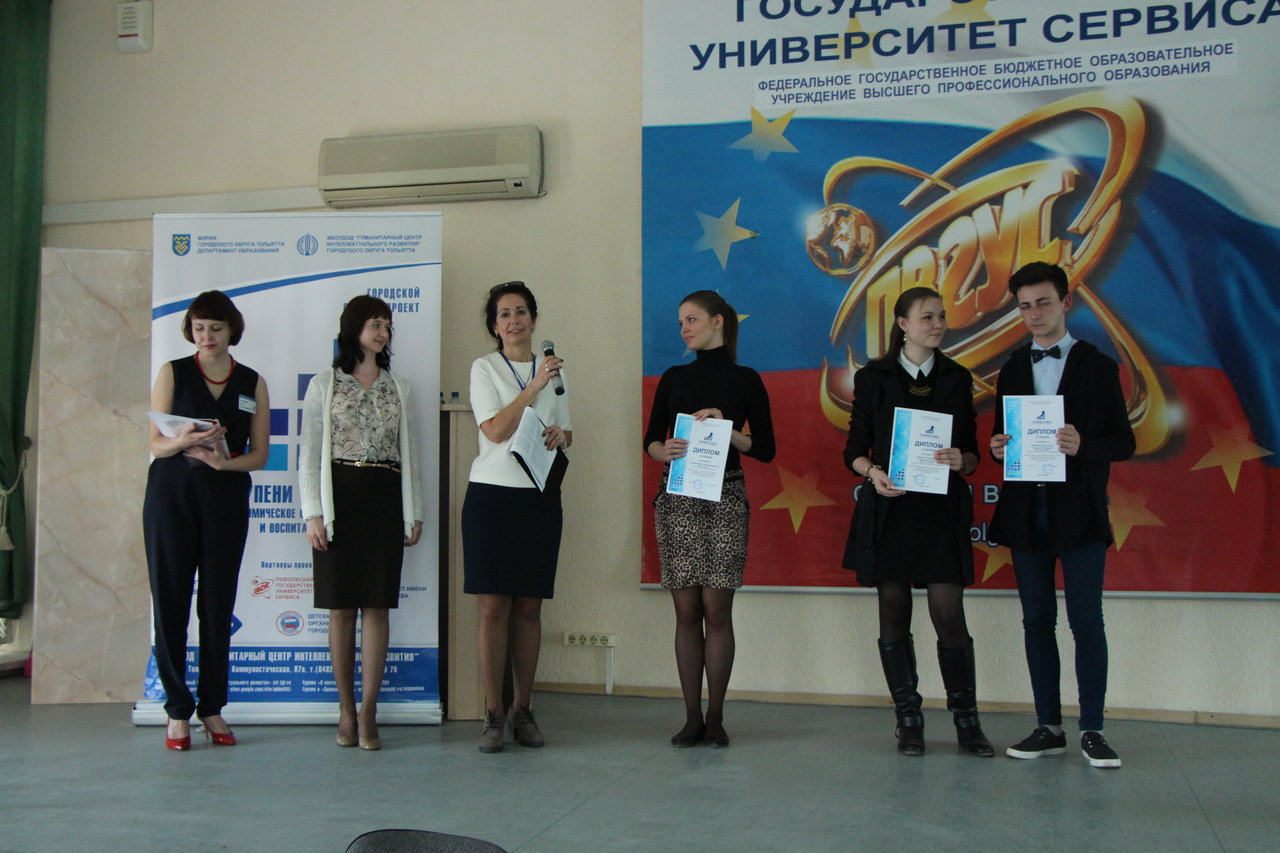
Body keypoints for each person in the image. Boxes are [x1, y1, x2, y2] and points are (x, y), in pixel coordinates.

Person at [989, 261, 1135, 769]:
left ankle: (1092, 729)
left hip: (1081, 515)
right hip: (1025, 513)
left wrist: (1083, 444)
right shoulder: (1011, 368)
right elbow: (1004, 440)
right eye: (1025, 306)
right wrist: (999, 447)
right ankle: (1048, 727)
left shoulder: (1097, 365)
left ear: (1066, 303)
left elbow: (1124, 442)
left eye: (1043, 302)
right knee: (1036, 620)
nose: (1034, 314)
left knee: (1086, 620)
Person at [841, 286, 993, 757]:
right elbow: (854, 451)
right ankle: (908, 720)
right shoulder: (874, 377)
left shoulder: (956, 377)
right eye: (928, 317)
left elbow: (972, 453)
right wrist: (874, 473)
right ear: (903, 324)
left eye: (941, 316)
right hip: (891, 508)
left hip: (940, 510)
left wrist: (961, 460)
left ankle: (967, 722)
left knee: (948, 613)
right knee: (893, 610)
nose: (938, 324)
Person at [644, 290, 775, 749]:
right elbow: (650, 441)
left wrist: (729, 431)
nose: (684, 328)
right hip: (679, 495)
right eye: (680, 321)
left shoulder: (746, 379)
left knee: (717, 610)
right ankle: (691, 717)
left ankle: (716, 717)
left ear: (718, 321)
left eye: (692, 319)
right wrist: (664, 450)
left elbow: (766, 449)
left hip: (726, 496)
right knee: (686, 611)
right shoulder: (673, 377)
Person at [143, 291, 271, 750]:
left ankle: (212, 706)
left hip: (225, 498)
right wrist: (183, 440)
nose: (207, 336)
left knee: (217, 605)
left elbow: (259, 455)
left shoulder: (252, 382)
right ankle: (177, 711)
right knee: (171, 600)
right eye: (199, 328)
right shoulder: (172, 372)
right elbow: (155, 443)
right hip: (172, 496)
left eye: (215, 328)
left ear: (231, 329)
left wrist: (223, 462)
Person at [299, 296, 424, 752]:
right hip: (340, 499)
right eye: (375, 324)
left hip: (384, 499)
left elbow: (410, 454)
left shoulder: (399, 387)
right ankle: (345, 710)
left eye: (387, 325)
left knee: (376, 606)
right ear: (353, 328)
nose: (382, 332)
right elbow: (309, 452)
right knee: (340, 608)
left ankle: (369, 710)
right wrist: (313, 512)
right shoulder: (324, 384)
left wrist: (414, 511)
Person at [462, 281, 571, 753]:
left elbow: (567, 430)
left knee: (529, 606)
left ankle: (522, 709)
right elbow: (495, 429)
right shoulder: (484, 368)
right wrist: (533, 386)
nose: (514, 321)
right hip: (491, 498)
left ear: (534, 319)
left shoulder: (555, 371)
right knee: (492, 607)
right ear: (494, 325)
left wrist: (561, 435)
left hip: (539, 497)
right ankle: (492, 712)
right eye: (504, 314)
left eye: (521, 312)